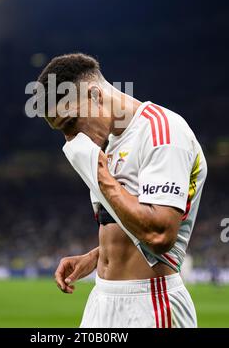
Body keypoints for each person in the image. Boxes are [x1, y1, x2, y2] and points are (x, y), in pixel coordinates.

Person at [36, 53, 207, 328]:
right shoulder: (109, 143)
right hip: (100, 300)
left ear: (95, 95)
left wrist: (101, 174)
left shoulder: (163, 132)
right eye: (62, 132)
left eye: (71, 123)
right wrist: (97, 256)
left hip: (151, 304)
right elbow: (128, 224)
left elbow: (160, 234)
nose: (71, 140)